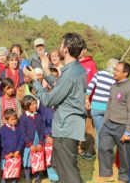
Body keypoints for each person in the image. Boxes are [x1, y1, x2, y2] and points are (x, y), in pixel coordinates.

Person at [23, 32, 87, 183]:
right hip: (70, 127)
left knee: (69, 173)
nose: (59, 47)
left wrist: (35, 81)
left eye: (61, 44)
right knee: (62, 167)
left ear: (66, 49)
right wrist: (45, 72)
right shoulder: (77, 70)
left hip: (66, 129)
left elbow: (48, 99)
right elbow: (61, 87)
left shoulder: (70, 74)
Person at [97, 62, 130, 183]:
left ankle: (124, 178)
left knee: (125, 154)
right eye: (114, 69)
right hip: (109, 124)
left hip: (123, 126)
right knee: (104, 147)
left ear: (125, 73)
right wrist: (105, 122)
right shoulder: (113, 86)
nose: (114, 72)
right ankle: (106, 174)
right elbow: (109, 106)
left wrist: (127, 131)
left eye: (117, 70)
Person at [85, 58, 118, 148]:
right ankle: (106, 153)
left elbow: (89, 88)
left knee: (100, 132)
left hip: (96, 107)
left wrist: (87, 100)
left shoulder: (99, 74)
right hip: (108, 109)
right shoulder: (115, 78)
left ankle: (101, 155)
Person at [19, 95, 45, 183]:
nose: (35, 106)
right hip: (29, 143)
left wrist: (41, 143)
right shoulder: (23, 118)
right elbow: (23, 132)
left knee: (36, 159)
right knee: (27, 160)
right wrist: (29, 144)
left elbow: (42, 130)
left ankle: (37, 177)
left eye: (35, 104)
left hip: (38, 142)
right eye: (32, 104)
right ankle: (27, 177)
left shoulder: (39, 116)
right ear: (26, 106)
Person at [79, 44, 98, 160]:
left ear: (85, 50)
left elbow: (95, 83)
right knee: (77, 125)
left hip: (88, 100)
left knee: (88, 126)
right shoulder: (73, 63)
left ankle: (89, 150)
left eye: (82, 49)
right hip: (76, 100)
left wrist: (90, 99)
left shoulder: (91, 64)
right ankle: (79, 148)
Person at [0, 108, 24, 183]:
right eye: (12, 119)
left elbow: (21, 140)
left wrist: (18, 150)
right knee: (5, 172)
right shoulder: (3, 129)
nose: (14, 121)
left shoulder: (18, 128)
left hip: (16, 155)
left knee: (15, 171)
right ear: (6, 120)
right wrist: (8, 152)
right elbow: (2, 143)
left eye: (15, 119)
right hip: (6, 155)